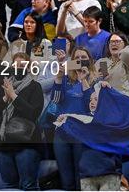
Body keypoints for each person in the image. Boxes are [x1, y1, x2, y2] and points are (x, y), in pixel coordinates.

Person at [0, 52, 44, 190]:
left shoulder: (35, 86)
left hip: (27, 144)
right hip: (3, 144)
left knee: (28, 185)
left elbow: (33, 113)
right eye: (16, 65)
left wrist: (13, 96)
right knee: (9, 186)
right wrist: (5, 97)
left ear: (28, 68)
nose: (19, 68)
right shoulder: (4, 85)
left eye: (23, 65)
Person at [52, 46, 97, 190]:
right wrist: (58, 79)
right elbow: (55, 100)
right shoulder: (65, 78)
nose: (80, 61)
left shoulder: (96, 80)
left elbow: (90, 105)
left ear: (89, 61)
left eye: (83, 58)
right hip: (62, 132)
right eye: (77, 58)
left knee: (81, 177)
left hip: (82, 133)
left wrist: (84, 81)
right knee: (66, 179)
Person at [95, 32, 129, 97]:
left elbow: (127, 53)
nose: (113, 44)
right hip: (106, 101)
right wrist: (96, 77)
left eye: (117, 41)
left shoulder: (127, 61)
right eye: (111, 42)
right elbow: (89, 81)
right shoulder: (102, 62)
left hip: (123, 100)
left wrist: (124, 48)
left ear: (125, 44)